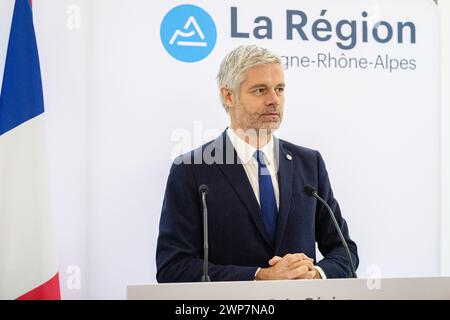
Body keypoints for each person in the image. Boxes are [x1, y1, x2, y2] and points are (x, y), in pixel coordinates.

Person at [156, 45, 358, 282]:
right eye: (260, 90)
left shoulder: (309, 163)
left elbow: (345, 251)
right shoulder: (191, 169)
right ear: (228, 96)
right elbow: (173, 267)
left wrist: (314, 274)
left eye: (279, 89)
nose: (274, 100)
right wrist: (259, 276)